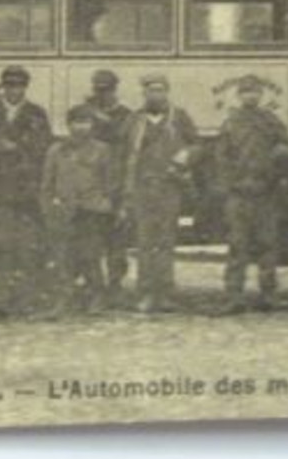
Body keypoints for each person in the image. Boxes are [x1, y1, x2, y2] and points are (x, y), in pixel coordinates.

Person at [0, 66, 53, 319]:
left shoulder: (36, 114)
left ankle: (26, 302)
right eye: (10, 85)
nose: (14, 90)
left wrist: (16, 148)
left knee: (28, 248)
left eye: (19, 86)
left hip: (25, 193)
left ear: (25, 88)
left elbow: (43, 149)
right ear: (2, 87)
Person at [214, 74, 288, 313]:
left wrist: (280, 167)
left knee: (268, 245)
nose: (251, 96)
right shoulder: (231, 123)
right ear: (239, 96)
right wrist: (230, 186)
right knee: (237, 246)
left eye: (255, 92)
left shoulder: (271, 122)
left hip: (266, 192)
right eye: (246, 92)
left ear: (261, 96)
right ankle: (233, 296)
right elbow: (221, 158)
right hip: (239, 193)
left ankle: (268, 295)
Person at [119, 73, 198, 314]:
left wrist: (186, 155)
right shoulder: (134, 120)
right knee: (144, 243)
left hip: (169, 187)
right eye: (151, 90)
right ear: (144, 93)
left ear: (167, 92)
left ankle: (165, 294)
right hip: (143, 188)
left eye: (161, 90)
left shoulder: (179, 118)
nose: (156, 95)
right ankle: (145, 294)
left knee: (165, 242)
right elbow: (123, 152)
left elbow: (196, 144)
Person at [41, 106, 120, 313]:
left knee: (90, 255)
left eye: (85, 122)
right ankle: (63, 298)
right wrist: (49, 207)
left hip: (92, 211)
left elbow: (111, 182)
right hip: (65, 211)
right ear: (69, 125)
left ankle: (96, 296)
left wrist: (105, 205)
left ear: (92, 125)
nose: (81, 127)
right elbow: (47, 184)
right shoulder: (56, 150)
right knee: (62, 257)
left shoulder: (102, 150)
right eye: (76, 122)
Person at [83, 69, 133, 296]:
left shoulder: (126, 115)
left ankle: (115, 284)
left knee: (117, 239)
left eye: (107, 90)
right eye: (98, 90)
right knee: (91, 238)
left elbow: (126, 142)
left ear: (115, 90)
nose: (103, 94)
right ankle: (94, 286)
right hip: (93, 182)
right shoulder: (86, 114)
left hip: (118, 180)